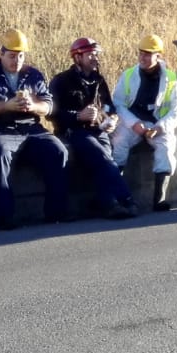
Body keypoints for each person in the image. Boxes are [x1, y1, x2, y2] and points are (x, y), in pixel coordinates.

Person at [0, 30, 70, 230]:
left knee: (58, 151)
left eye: (21, 55)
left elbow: (48, 106)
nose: (17, 60)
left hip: (31, 127)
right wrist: (6, 106)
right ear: (1, 53)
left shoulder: (33, 74)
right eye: (12, 56)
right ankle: (5, 217)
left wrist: (33, 106)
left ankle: (56, 213)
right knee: (0, 154)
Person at [50, 37, 138, 219]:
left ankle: (108, 203)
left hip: (99, 130)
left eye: (97, 54)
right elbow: (52, 112)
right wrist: (77, 116)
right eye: (91, 54)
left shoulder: (99, 80)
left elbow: (110, 107)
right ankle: (126, 199)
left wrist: (112, 119)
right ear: (77, 57)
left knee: (104, 161)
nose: (95, 58)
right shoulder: (61, 81)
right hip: (74, 132)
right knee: (104, 159)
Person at [111, 34, 177, 212]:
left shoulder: (171, 79)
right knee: (119, 143)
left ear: (158, 56)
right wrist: (134, 123)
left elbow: (176, 110)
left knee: (166, 148)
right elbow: (118, 103)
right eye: (141, 53)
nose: (142, 57)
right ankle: (115, 197)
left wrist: (160, 127)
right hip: (132, 123)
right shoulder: (128, 75)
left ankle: (159, 199)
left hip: (157, 123)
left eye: (148, 54)